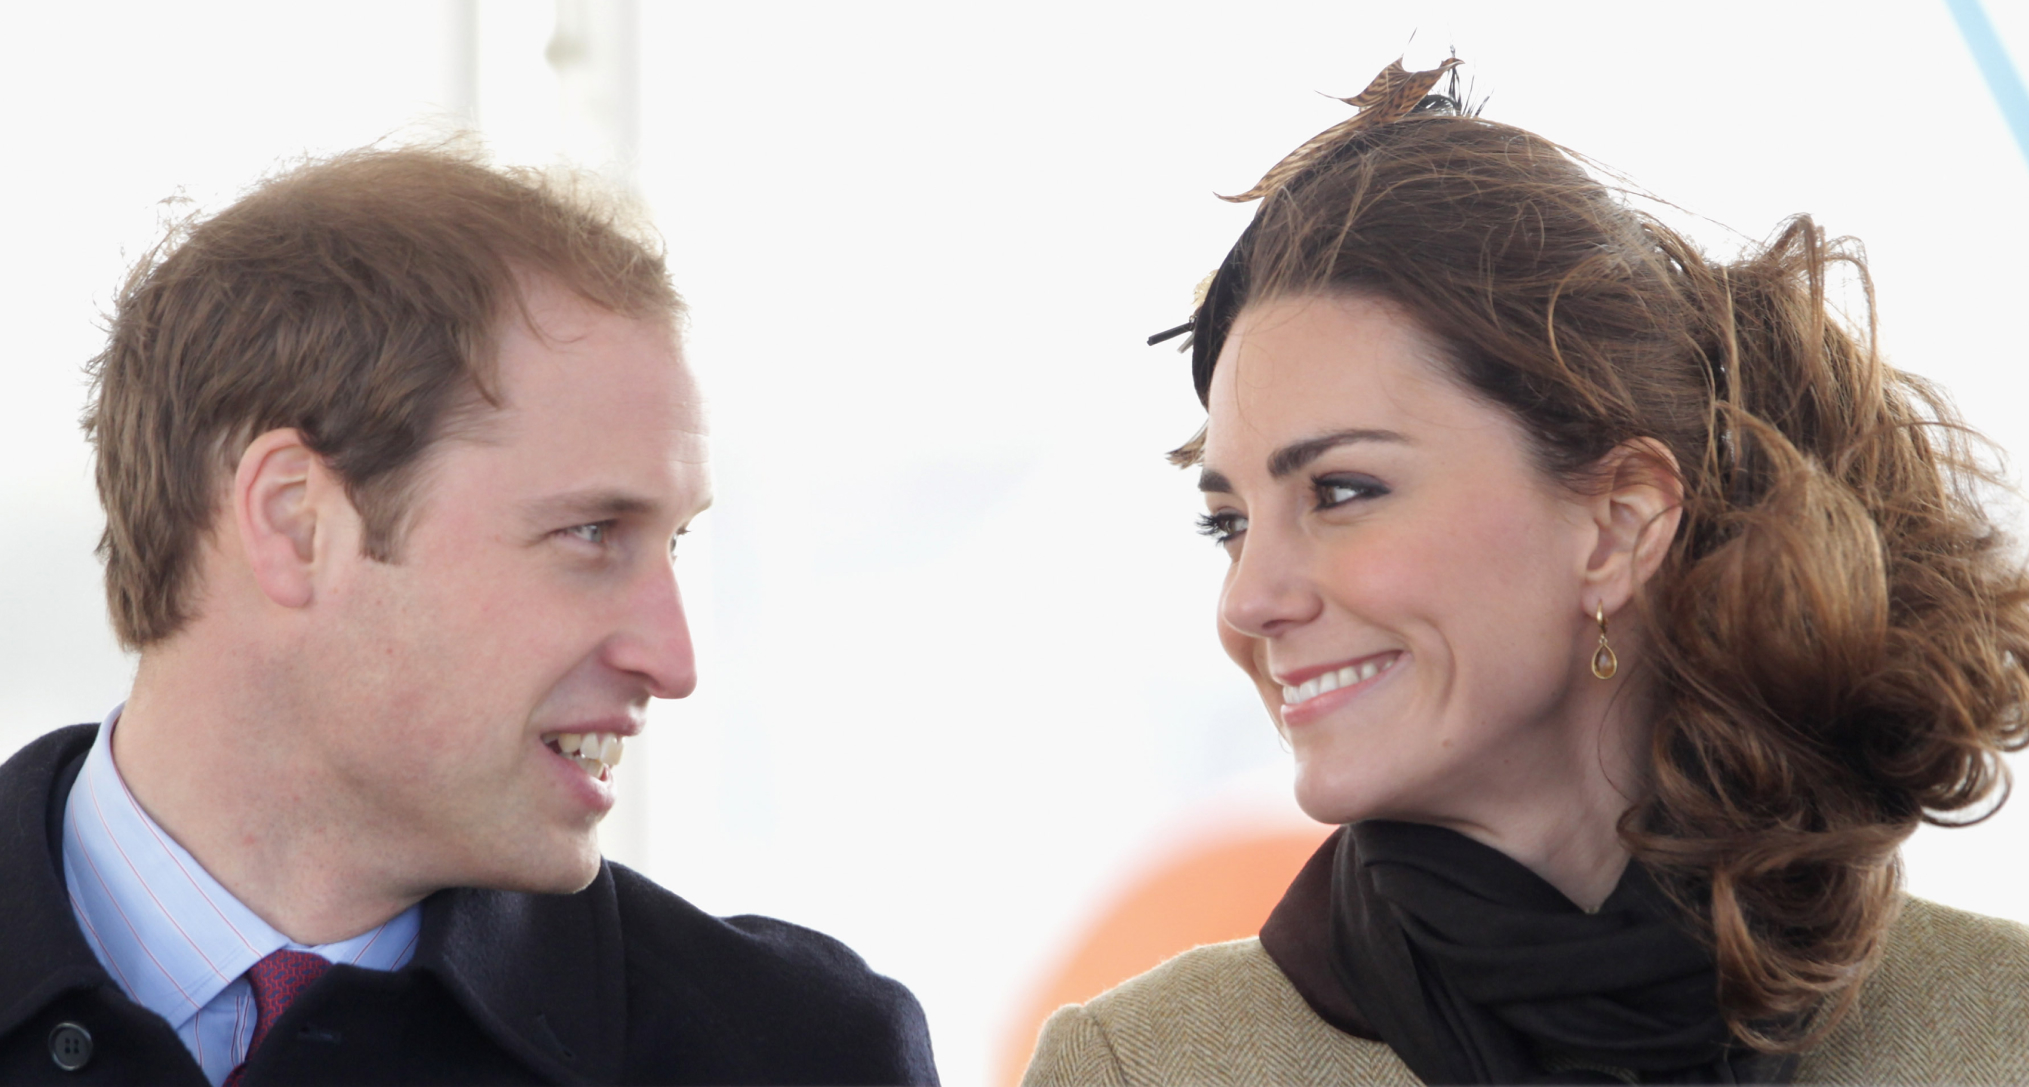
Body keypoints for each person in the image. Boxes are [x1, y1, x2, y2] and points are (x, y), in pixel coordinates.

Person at [1024, 59, 2029, 1086]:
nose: (1249, 600)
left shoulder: (2002, 1029)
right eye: (1228, 524)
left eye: (1338, 491)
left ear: (1616, 524)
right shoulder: (1145, 1065)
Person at [0, 147, 939, 1085]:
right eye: (591, 531)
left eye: (675, 540)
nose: (675, 658)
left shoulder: (804, 1055)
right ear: (296, 522)